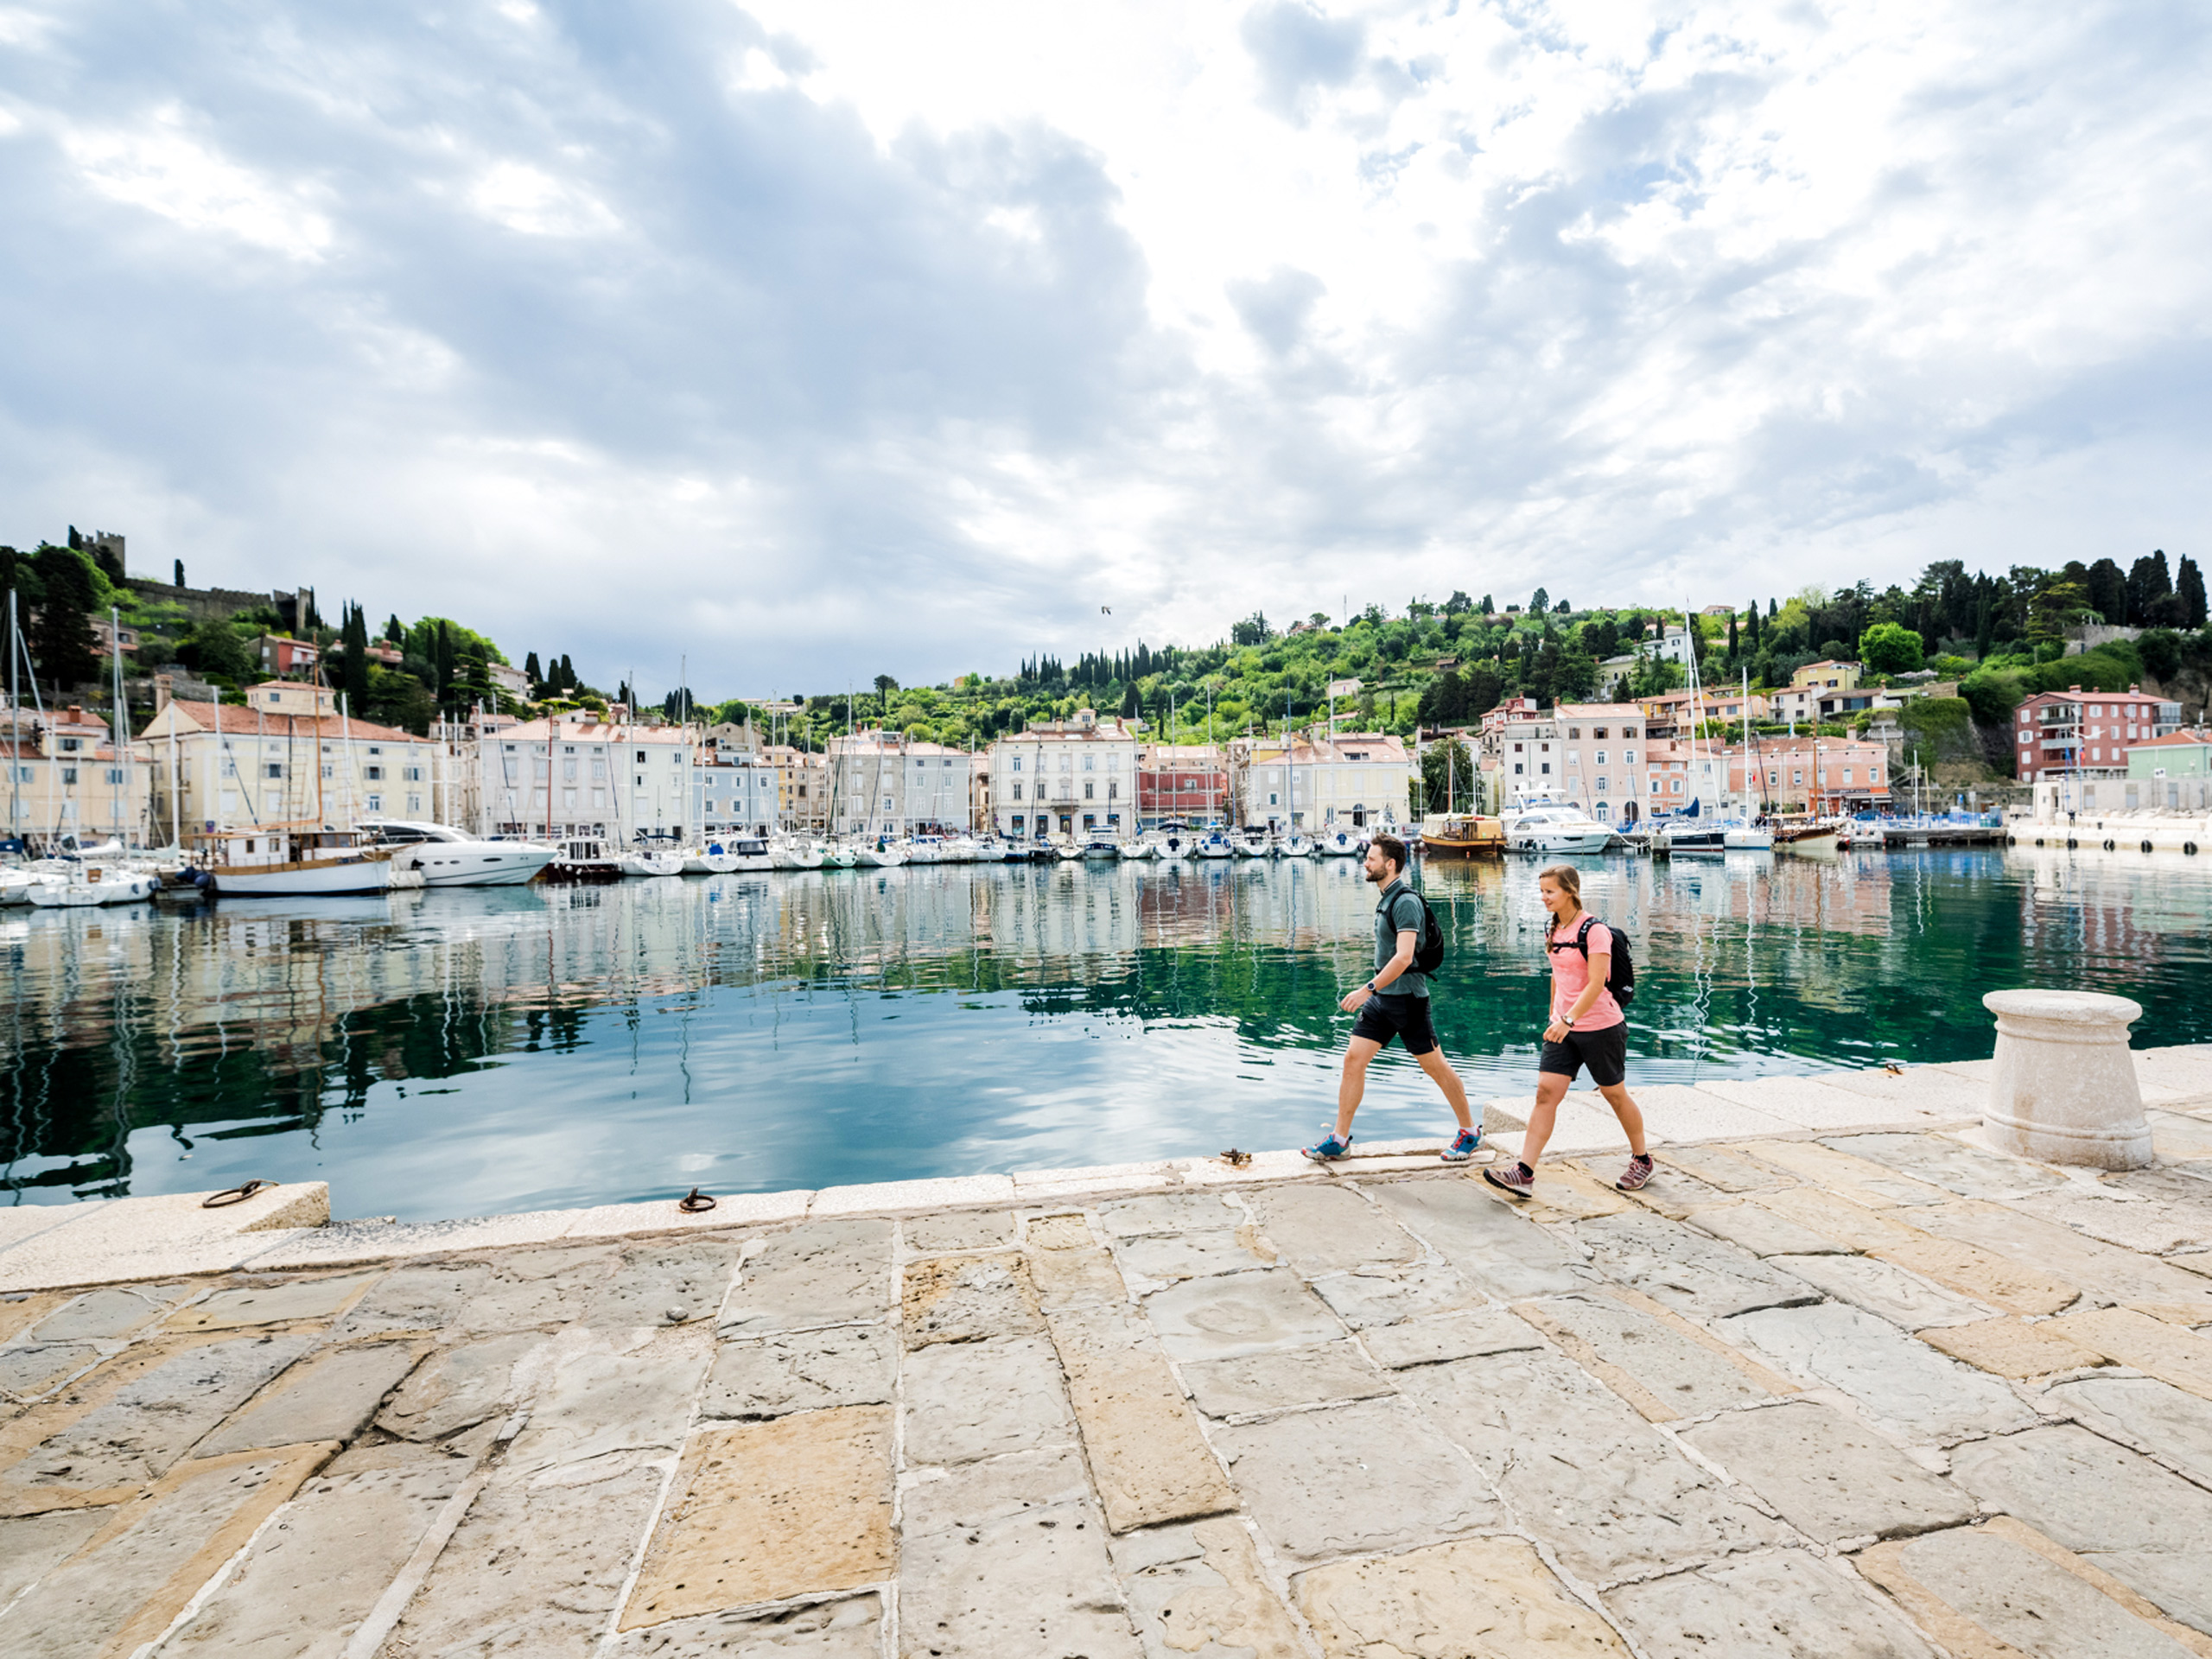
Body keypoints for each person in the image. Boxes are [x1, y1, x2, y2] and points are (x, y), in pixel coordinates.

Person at [1303, 833, 1484, 1165]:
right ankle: (1340, 1140)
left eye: (1371, 859)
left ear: (1390, 864)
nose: (1365, 863)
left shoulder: (1406, 902)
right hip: (1382, 1001)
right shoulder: (1386, 897)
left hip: (1408, 1001)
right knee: (1353, 1060)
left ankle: (1469, 1132)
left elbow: (1403, 958)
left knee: (1436, 1068)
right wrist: (1374, 992)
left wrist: (1365, 989)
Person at [1484, 862, 1652, 1196]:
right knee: (1546, 1093)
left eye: (1550, 892)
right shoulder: (1554, 930)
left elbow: (1596, 983)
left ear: (1570, 892)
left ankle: (1642, 1160)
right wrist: (1554, 1017)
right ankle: (1524, 1171)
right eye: (1542, 891)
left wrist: (1568, 1020)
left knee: (1614, 1094)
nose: (1544, 897)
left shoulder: (1595, 931)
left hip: (1600, 1026)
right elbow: (1558, 977)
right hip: (1562, 1027)